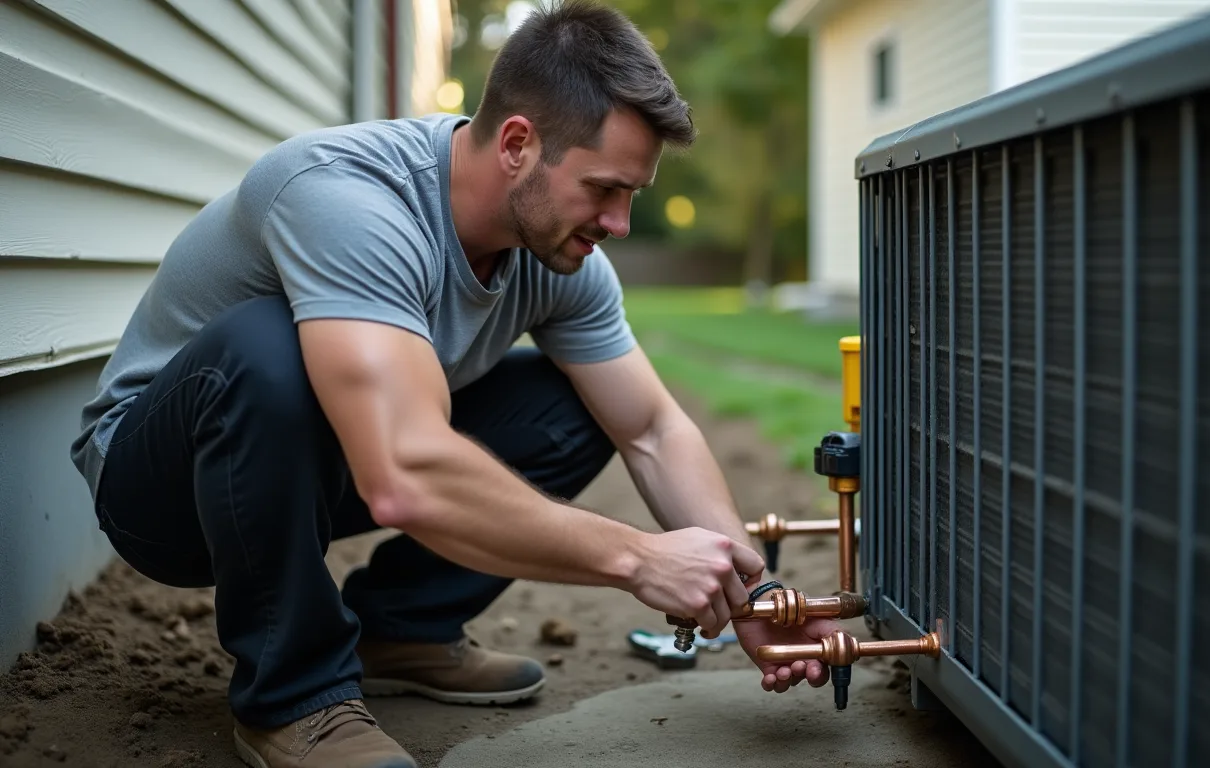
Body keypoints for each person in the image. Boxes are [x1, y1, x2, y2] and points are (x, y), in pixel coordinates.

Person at [69, 2, 839, 766]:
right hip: (163, 493)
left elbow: (651, 429)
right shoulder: (348, 198)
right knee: (267, 344)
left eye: (631, 195)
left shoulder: (557, 258)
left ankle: (400, 631)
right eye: (605, 189)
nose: (621, 223)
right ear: (516, 143)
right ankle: (294, 700)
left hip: (318, 466)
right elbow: (404, 475)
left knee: (575, 407)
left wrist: (758, 596)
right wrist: (642, 558)